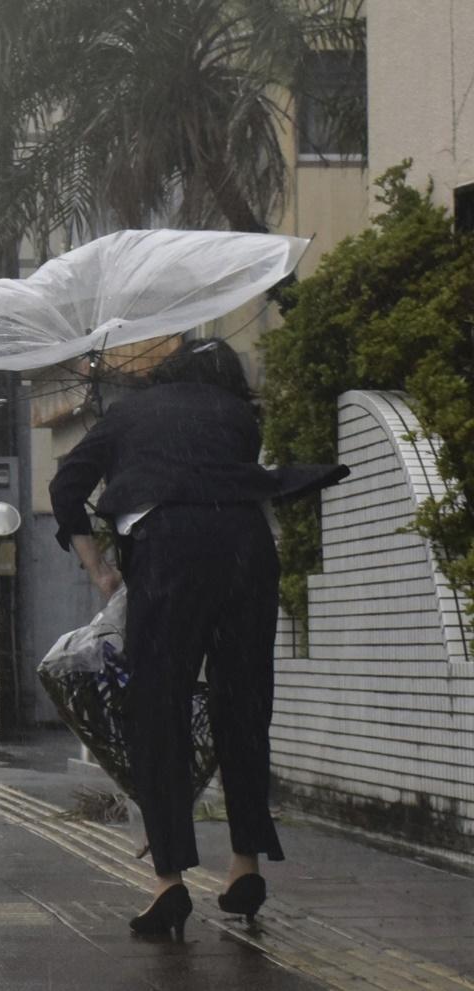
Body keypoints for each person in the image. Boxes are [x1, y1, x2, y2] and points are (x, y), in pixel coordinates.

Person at [48, 337, 345, 941]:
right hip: (246, 549)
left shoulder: (128, 413)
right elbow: (208, 470)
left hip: (171, 552)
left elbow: (65, 489)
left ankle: (170, 881)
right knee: (242, 706)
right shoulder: (238, 415)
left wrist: (100, 571)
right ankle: (244, 867)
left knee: (158, 708)